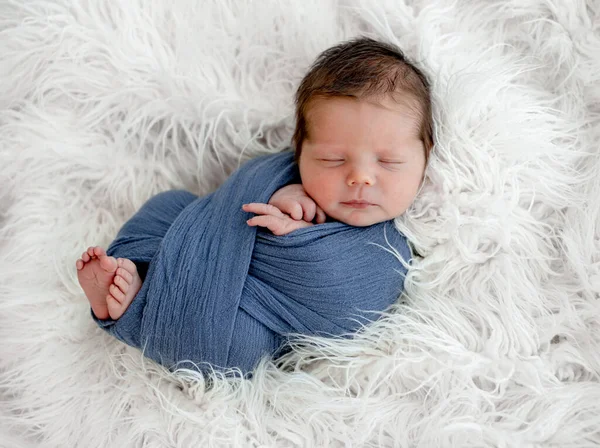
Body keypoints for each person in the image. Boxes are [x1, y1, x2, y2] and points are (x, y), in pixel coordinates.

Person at [75, 37, 434, 372]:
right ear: (300, 151)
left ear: (425, 155)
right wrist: (278, 194)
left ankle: (139, 309)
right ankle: (140, 285)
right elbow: (231, 205)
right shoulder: (283, 174)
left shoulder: (390, 246)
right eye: (332, 161)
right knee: (166, 205)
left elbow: (347, 301)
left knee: (241, 347)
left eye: (388, 163)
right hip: (208, 254)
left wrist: (294, 240)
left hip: (247, 313)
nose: (361, 178)